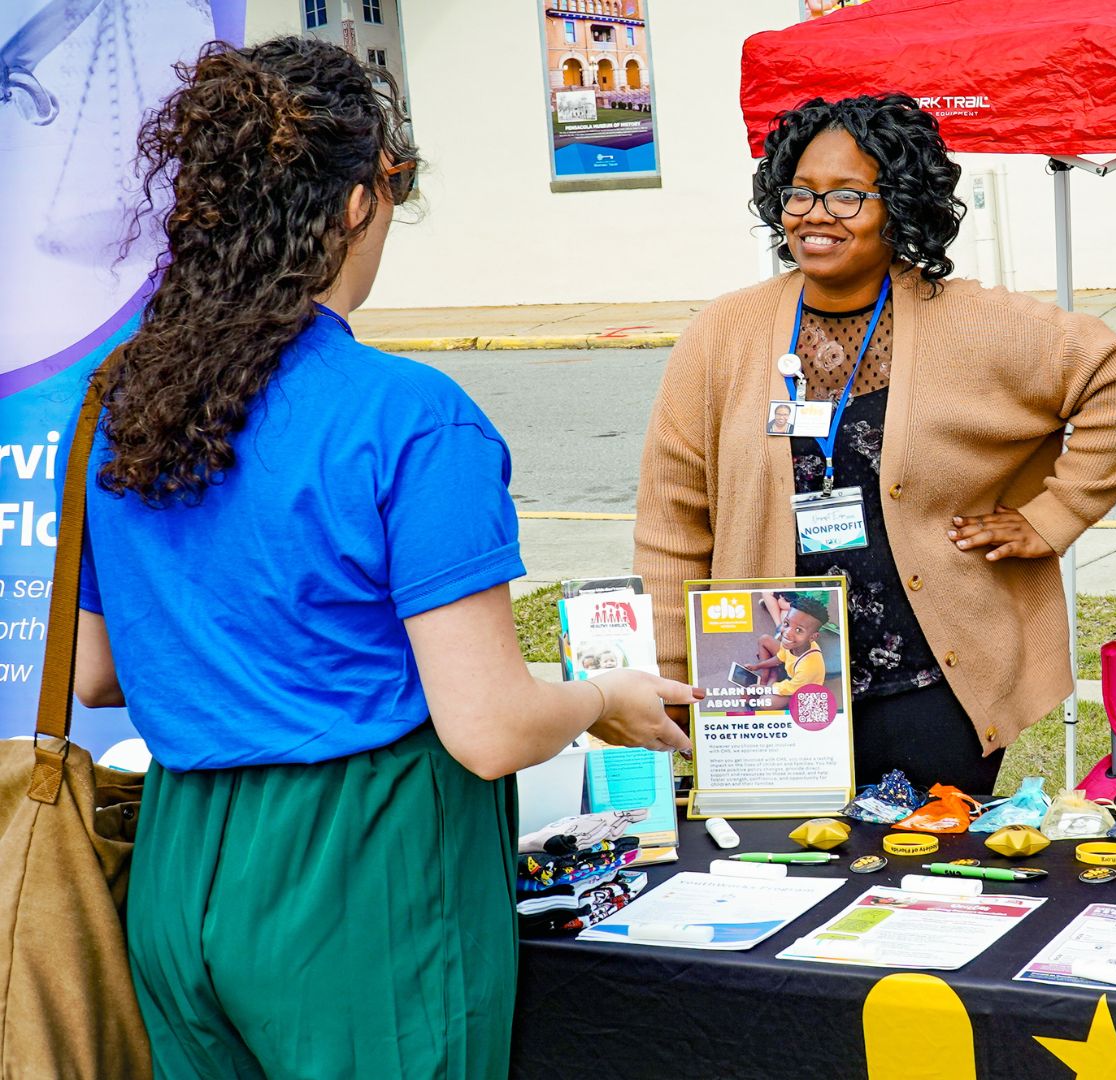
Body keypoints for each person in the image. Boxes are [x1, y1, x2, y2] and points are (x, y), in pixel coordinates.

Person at [69, 38, 695, 1079]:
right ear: (361, 200)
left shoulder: (125, 401)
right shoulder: (408, 417)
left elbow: (100, 673)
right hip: (364, 872)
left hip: (181, 869)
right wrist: (600, 699)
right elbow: (490, 729)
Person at [634, 93, 1116, 795]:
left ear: (901, 204)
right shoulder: (723, 334)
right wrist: (670, 667)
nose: (816, 215)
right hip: (765, 690)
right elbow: (673, 517)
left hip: (930, 685)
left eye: (849, 196)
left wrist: (1052, 517)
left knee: (927, 879)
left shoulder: (974, 323)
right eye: (800, 193)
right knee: (782, 873)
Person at [746, 593, 831, 703]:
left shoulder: (809, 667)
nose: (787, 633)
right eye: (786, 623)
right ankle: (766, 679)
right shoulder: (791, 642)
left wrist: (767, 689)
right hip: (791, 673)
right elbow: (780, 657)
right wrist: (756, 666)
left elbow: (790, 688)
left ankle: (772, 678)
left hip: (798, 689)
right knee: (764, 639)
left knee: (765, 703)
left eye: (798, 630)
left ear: (813, 637)